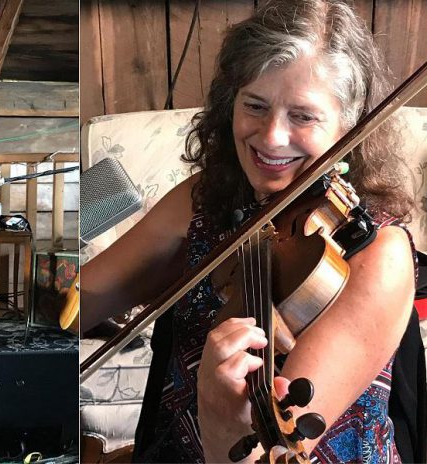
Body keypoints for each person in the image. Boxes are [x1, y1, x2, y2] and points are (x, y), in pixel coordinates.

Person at [80, 0, 420, 462]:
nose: (271, 136)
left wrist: (222, 413)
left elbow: (270, 449)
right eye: (255, 106)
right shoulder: (206, 198)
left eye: (303, 116)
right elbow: (81, 300)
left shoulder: (377, 254)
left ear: (351, 123)